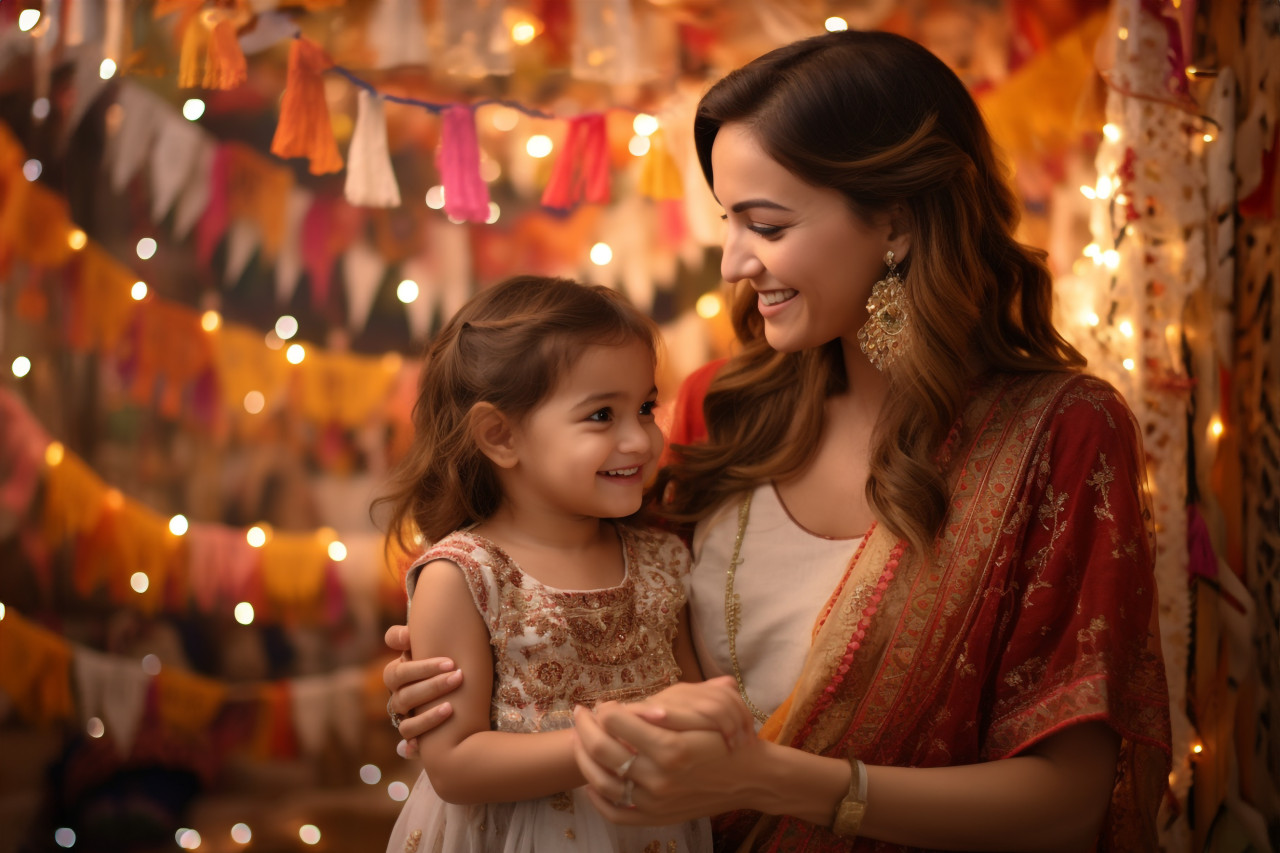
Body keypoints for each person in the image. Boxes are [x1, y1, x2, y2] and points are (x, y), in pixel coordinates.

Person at [384, 31, 1172, 851]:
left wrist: (770, 778)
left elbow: (1071, 805)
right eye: (729, 221)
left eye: (765, 223)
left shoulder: (1061, 435)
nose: (732, 262)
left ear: (896, 220)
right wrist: (469, 652)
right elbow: (599, 603)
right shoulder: (715, 414)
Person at [376, 276, 728, 853]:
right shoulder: (464, 575)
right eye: (600, 416)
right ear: (501, 436)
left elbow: (690, 701)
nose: (640, 440)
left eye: (644, 408)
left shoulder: (664, 558)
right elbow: (456, 767)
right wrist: (619, 740)